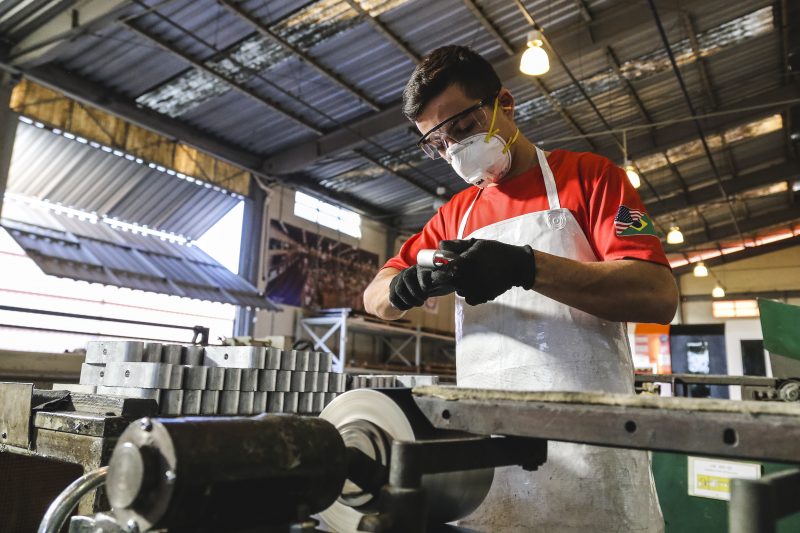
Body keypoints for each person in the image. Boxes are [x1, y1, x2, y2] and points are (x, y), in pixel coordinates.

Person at [363, 45, 678, 532]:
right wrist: (404, 287)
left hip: (590, 449)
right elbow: (374, 298)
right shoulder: (456, 214)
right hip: (488, 459)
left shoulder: (592, 178)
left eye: (463, 128)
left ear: (504, 104)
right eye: (438, 143)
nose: (453, 150)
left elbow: (656, 293)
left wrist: (526, 267)